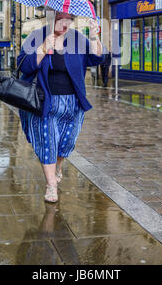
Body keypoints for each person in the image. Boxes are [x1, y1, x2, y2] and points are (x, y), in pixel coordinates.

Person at [18, 11, 105, 203]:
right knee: (47, 141)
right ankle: (51, 185)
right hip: (45, 101)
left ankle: (58, 165)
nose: (65, 23)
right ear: (51, 18)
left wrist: (94, 37)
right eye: (60, 19)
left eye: (69, 20)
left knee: (66, 142)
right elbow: (23, 66)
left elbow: (98, 58)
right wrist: (42, 48)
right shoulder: (37, 36)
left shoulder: (78, 39)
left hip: (73, 102)